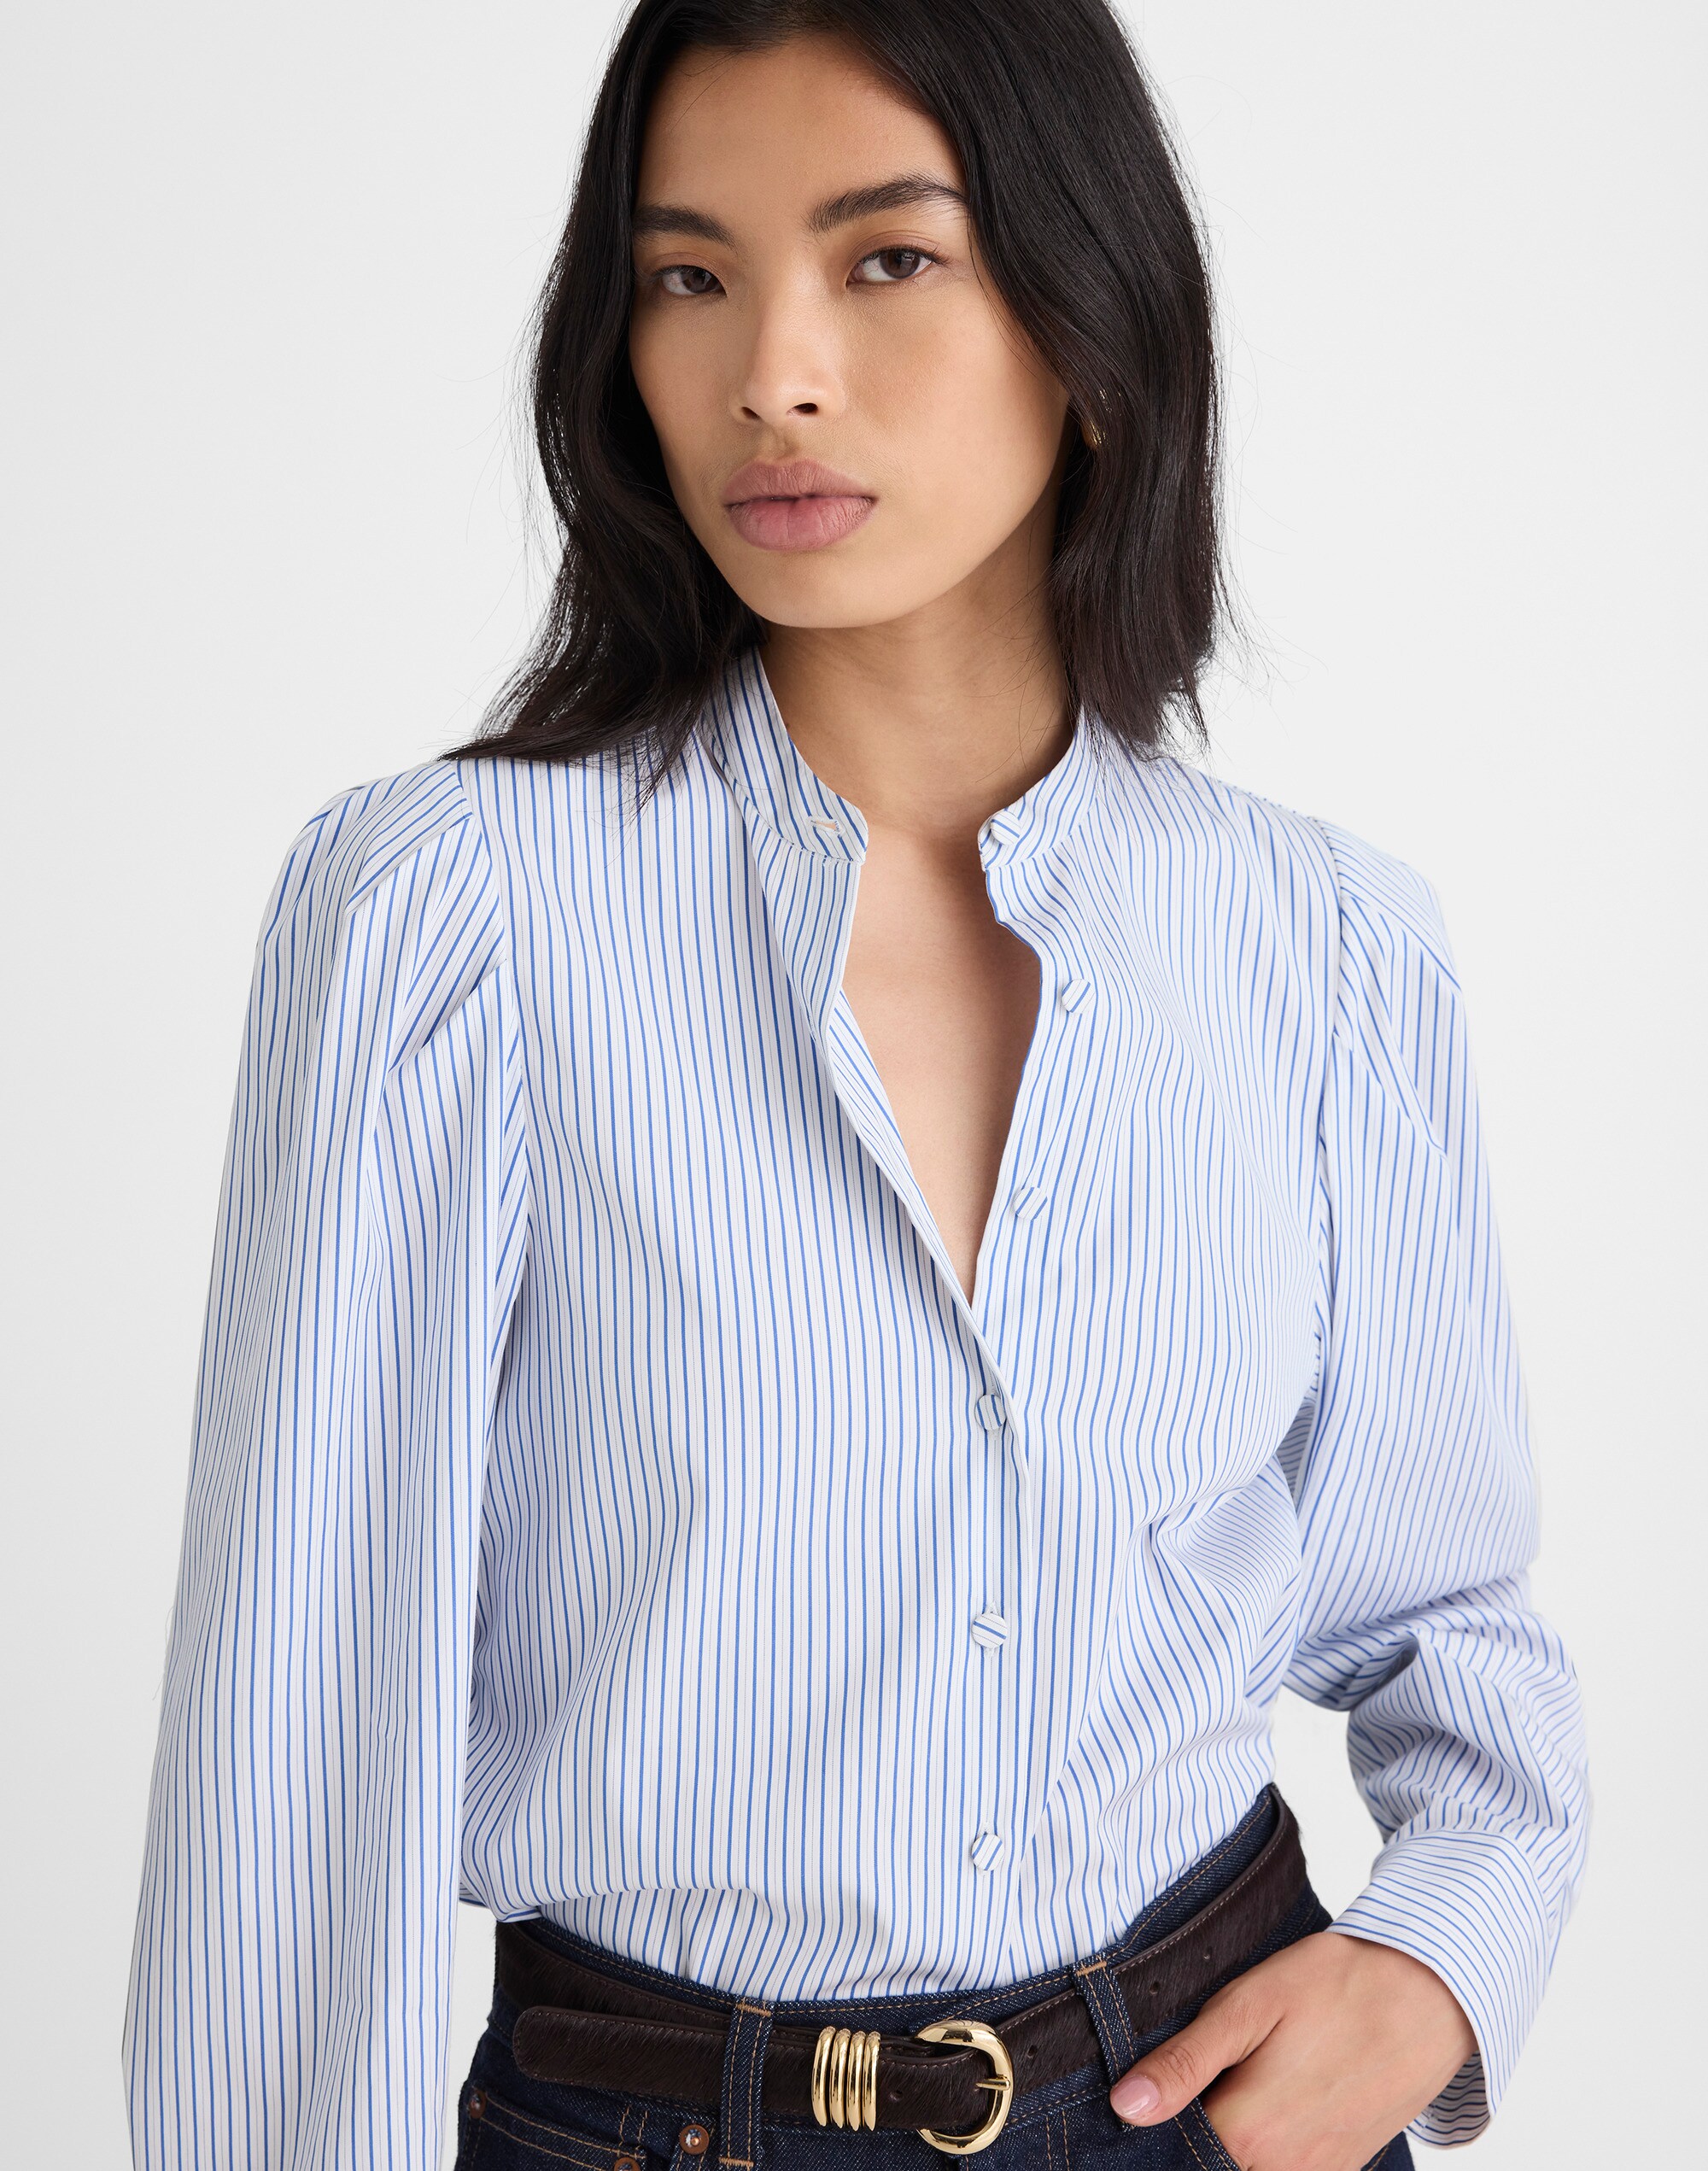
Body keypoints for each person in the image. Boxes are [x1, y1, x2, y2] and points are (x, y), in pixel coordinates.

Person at [121, 3, 1590, 2168]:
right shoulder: (452, 919)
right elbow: (298, 1749)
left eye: (885, 256)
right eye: (687, 274)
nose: (771, 373)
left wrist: (1438, 1959)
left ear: (1090, 319)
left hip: (1216, 2087)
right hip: (656, 2115)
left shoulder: (1327, 947)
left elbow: (1444, 1614)